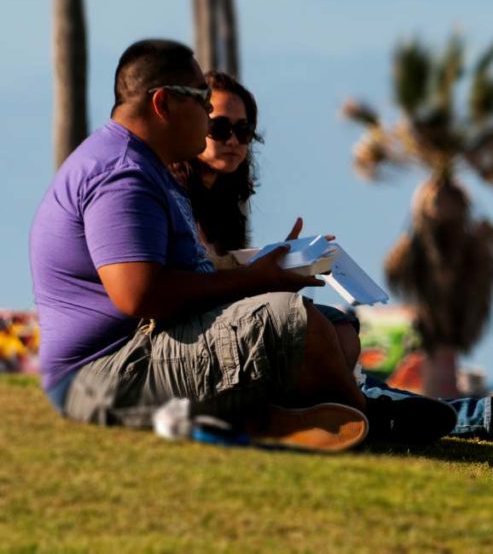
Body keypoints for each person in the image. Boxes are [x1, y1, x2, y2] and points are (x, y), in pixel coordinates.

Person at [170, 69, 493, 445]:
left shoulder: (221, 199)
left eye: (243, 130)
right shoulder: (173, 194)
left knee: (343, 329)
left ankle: (479, 415)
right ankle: (478, 416)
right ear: (191, 125)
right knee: (337, 353)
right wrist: (260, 269)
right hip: (200, 341)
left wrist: (280, 261)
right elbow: (192, 278)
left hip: (232, 325)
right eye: (219, 127)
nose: (234, 140)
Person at [30, 39, 376, 451]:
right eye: (202, 101)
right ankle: (372, 422)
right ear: (163, 105)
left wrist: (267, 267)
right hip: (102, 376)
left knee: (327, 324)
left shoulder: (145, 167)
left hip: (139, 353)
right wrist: (252, 282)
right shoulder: (123, 175)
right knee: (290, 319)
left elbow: (186, 273)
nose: (210, 113)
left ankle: (278, 416)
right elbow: (139, 295)